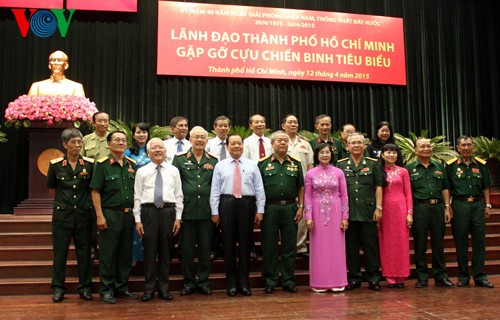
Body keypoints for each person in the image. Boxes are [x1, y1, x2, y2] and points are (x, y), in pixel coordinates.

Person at [210, 134, 266, 297]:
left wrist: (260, 209)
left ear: (243, 146)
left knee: (245, 244)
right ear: (227, 146)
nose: (236, 146)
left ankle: (244, 282)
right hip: (227, 203)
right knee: (227, 245)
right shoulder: (220, 166)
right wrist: (215, 211)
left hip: (247, 204)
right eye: (233, 144)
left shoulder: (252, 165)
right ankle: (231, 283)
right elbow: (214, 190)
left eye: (239, 144)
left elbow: (259, 188)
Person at [46, 128, 94, 303]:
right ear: (65, 144)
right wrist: (64, 204)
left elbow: (91, 189)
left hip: (83, 214)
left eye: (79, 142)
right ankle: (58, 288)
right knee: (60, 254)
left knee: (84, 254)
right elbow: (52, 190)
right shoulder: (55, 164)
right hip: (63, 215)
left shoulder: (89, 164)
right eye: (73, 142)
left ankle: (85, 287)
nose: (77, 145)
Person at [90, 131, 137, 304]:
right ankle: (106, 290)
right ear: (109, 144)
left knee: (125, 254)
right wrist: (99, 215)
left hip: (128, 215)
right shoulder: (102, 164)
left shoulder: (131, 164)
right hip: (110, 214)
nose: (121, 143)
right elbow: (95, 191)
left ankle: (121, 287)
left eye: (124, 140)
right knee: (108, 254)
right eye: (117, 140)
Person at [134, 138, 183, 301]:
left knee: (165, 251)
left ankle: (164, 288)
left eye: (160, 147)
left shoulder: (174, 170)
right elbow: (137, 197)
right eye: (153, 148)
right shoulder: (142, 171)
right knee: (149, 252)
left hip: (168, 212)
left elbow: (178, 195)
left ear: (165, 151)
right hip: (148, 213)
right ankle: (149, 289)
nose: (157, 150)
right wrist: (137, 220)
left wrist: (178, 217)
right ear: (148, 153)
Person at [173, 127, 218, 296]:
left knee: (205, 249)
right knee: (187, 250)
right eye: (196, 137)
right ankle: (188, 282)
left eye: (203, 138)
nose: (199, 140)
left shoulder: (214, 160)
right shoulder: (179, 160)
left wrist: (215, 211)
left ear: (207, 140)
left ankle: (204, 281)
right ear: (190, 139)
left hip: (206, 211)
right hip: (187, 211)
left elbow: (216, 187)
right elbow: (175, 184)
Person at [258, 131, 304, 294]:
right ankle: (270, 280)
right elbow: (259, 188)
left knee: (289, 246)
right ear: (272, 144)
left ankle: (288, 279)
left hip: (290, 208)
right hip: (270, 208)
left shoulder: (296, 163)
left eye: (285, 140)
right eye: (279, 140)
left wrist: (301, 207)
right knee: (269, 245)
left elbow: (301, 187)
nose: (283, 143)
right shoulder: (262, 163)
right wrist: (259, 209)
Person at [336, 132, 383, 291]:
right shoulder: (341, 165)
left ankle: (373, 278)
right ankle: (355, 278)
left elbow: (378, 187)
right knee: (351, 247)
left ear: (364, 145)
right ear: (347, 146)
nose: (356, 145)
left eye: (359, 143)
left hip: (368, 210)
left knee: (371, 246)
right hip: (348, 212)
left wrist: (379, 207)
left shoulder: (373, 163)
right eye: (353, 143)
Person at [406, 138, 454, 288]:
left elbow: (445, 188)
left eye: (428, 146)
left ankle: (441, 276)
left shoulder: (439, 166)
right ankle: (422, 277)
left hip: (437, 207)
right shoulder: (409, 168)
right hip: (419, 208)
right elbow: (407, 192)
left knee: (438, 243)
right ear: (416, 150)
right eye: (422, 146)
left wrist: (447, 207)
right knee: (420, 244)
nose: (426, 148)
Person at [447, 135, 494, 288]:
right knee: (461, 242)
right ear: (458, 148)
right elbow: (446, 188)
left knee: (479, 241)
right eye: (463, 145)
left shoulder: (481, 164)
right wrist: (447, 207)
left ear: (473, 146)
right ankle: (463, 276)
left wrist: (488, 205)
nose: (466, 148)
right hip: (460, 206)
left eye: (469, 145)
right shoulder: (451, 166)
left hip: (477, 205)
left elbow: (486, 186)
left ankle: (480, 276)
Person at [304, 143, 349, 293]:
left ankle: (338, 281)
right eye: (322, 152)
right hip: (317, 213)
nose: (325, 155)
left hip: (336, 212)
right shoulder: (311, 173)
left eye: (327, 152)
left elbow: (344, 195)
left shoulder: (338, 173)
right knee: (319, 248)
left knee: (336, 247)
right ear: (316, 155)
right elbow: (308, 196)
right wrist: (308, 216)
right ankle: (319, 281)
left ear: (331, 154)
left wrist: (345, 217)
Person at [378, 143, 413, 288]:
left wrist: (409, 213)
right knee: (386, 243)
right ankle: (390, 276)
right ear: (382, 155)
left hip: (400, 209)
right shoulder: (378, 171)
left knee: (401, 242)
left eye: (394, 152)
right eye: (388, 152)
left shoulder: (403, 171)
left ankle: (401, 275)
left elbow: (408, 193)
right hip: (385, 210)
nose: (391, 155)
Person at [281, 114, 314, 258]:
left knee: (301, 217)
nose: (293, 125)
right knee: (285, 217)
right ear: (283, 126)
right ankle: (286, 246)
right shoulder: (279, 141)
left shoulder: (305, 144)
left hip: (303, 185)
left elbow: (310, 164)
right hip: (286, 184)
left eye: (295, 122)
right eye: (290, 122)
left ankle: (300, 247)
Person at [242, 113, 273, 261]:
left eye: (262, 122)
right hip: (252, 182)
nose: (260, 124)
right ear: (251, 125)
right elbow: (245, 164)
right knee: (250, 218)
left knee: (266, 217)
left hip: (268, 181)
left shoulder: (270, 141)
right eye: (256, 122)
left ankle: (267, 245)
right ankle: (251, 247)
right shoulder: (246, 142)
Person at [124, 123, 151, 266]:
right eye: (139, 132)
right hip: (134, 191)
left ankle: (150, 255)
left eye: (145, 132)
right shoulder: (128, 153)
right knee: (136, 224)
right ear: (133, 135)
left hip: (151, 193)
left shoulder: (153, 150)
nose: (142, 135)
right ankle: (134, 255)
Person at [205, 116, 230, 261]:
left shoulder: (233, 143)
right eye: (220, 126)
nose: (223, 128)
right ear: (214, 127)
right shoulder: (209, 144)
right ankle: (214, 248)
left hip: (230, 185)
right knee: (214, 218)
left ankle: (227, 248)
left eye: (225, 126)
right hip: (213, 183)